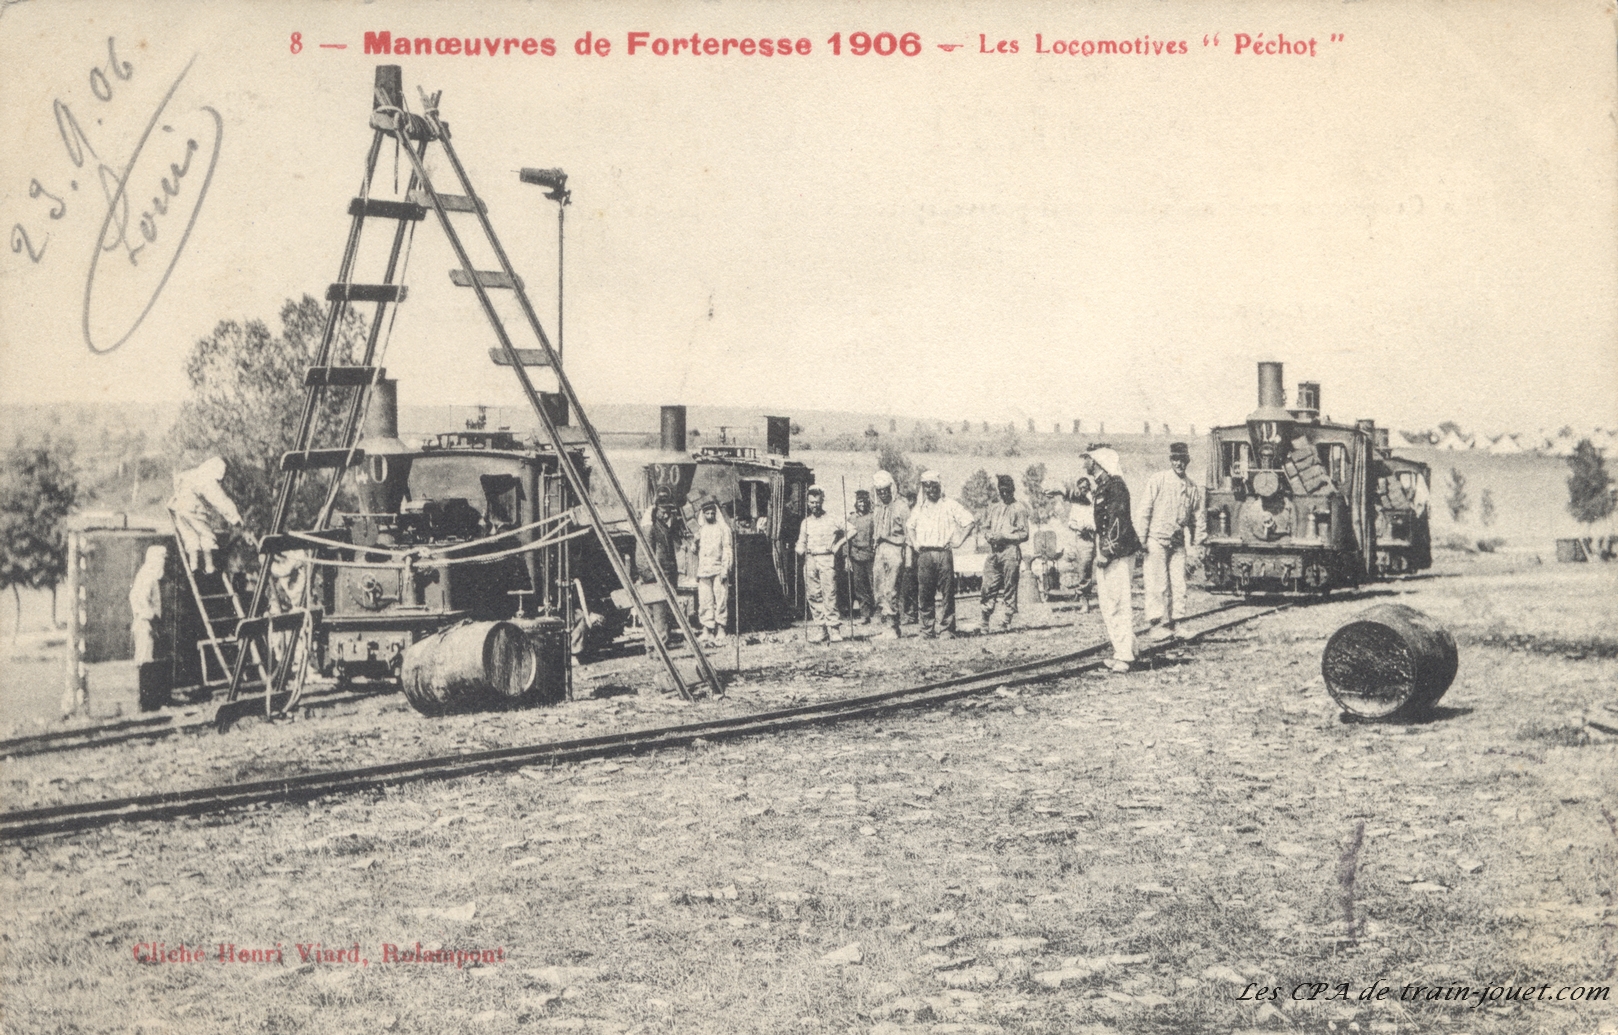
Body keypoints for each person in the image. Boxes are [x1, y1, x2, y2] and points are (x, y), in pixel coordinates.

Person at [1082, 445, 1141, 672]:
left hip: (1117, 553)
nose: (1084, 463)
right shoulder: (1104, 486)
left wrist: (1106, 552)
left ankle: (1125, 657)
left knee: (1117, 603)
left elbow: (1118, 522)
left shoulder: (1115, 487)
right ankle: (1128, 648)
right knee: (1110, 604)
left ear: (1098, 461)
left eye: (1087, 459)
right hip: (1110, 550)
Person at [1139, 442, 1206, 639]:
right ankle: (1156, 625)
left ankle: (1178, 624)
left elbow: (1198, 517)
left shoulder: (1192, 487)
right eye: (1175, 459)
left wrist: (1198, 542)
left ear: (1187, 461)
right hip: (1156, 540)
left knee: (1178, 584)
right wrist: (1141, 539)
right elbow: (1144, 510)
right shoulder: (1158, 480)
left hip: (1177, 543)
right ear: (1171, 460)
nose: (1179, 463)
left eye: (1182, 460)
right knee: (1156, 584)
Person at [904, 470, 978, 639]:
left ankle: (947, 629)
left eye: (933, 486)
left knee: (947, 593)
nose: (930, 490)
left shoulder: (949, 505)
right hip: (925, 555)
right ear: (923, 488)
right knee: (925, 594)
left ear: (939, 486)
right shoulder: (919, 508)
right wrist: (915, 543)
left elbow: (969, 521)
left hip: (944, 554)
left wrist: (958, 541)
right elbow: (909, 526)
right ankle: (926, 630)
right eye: (926, 486)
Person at [169, 456, 244, 574]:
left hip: (179, 508)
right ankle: (210, 566)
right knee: (206, 534)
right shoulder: (207, 480)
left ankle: (193, 567)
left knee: (190, 536)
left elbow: (178, 483)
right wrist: (234, 518)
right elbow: (220, 501)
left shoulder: (192, 474)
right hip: (193, 508)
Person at [980, 474, 1031, 633]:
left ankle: (1006, 620)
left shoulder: (1019, 508)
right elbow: (985, 526)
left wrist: (1005, 536)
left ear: (1012, 490)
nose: (1004, 494)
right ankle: (984, 621)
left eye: (1007, 491)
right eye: (1001, 491)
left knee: (1010, 587)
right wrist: (988, 535)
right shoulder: (994, 507)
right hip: (994, 551)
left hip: (1010, 551)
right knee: (988, 586)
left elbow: (1024, 534)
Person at [639, 486, 690, 646]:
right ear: (656, 510)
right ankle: (657, 647)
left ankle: (659, 644)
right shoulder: (649, 528)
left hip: (666, 576)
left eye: (668, 511)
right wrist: (650, 576)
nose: (666, 514)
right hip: (656, 577)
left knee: (663, 612)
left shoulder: (664, 527)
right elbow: (642, 555)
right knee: (658, 612)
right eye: (663, 511)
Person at [796, 487, 846, 642]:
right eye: (811, 502)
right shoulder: (806, 522)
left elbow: (852, 530)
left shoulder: (832, 519)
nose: (814, 505)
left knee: (829, 593)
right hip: (810, 559)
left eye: (817, 502)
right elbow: (801, 542)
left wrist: (838, 545)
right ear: (807, 503)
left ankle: (834, 629)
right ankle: (822, 629)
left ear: (822, 501)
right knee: (813, 595)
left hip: (826, 558)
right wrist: (799, 548)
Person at [870, 470, 911, 639]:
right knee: (879, 588)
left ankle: (893, 627)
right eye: (879, 491)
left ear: (891, 489)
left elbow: (908, 534)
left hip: (895, 549)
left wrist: (908, 558)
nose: (882, 494)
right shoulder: (878, 508)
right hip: (880, 551)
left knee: (891, 589)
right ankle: (886, 625)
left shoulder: (901, 506)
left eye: (885, 490)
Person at [692, 497, 734, 646]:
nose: (710, 516)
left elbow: (727, 550)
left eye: (712, 513)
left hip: (718, 570)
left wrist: (725, 569)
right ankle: (707, 629)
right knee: (705, 601)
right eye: (707, 513)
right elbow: (695, 551)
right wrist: (694, 542)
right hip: (704, 570)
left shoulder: (723, 529)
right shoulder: (701, 530)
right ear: (703, 514)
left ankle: (721, 628)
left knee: (721, 600)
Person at [128, 544, 167, 665]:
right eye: (161, 558)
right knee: (144, 660)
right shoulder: (147, 575)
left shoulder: (149, 574)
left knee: (146, 658)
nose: (163, 561)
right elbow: (141, 599)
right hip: (144, 622)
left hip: (146, 622)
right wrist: (152, 617)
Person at [846, 489, 877, 625]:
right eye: (860, 501)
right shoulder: (851, 519)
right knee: (860, 587)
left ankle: (880, 613)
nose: (862, 504)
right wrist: (846, 557)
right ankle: (865, 615)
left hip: (870, 556)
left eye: (864, 501)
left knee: (874, 584)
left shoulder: (872, 517)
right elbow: (846, 540)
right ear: (856, 503)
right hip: (856, 556)